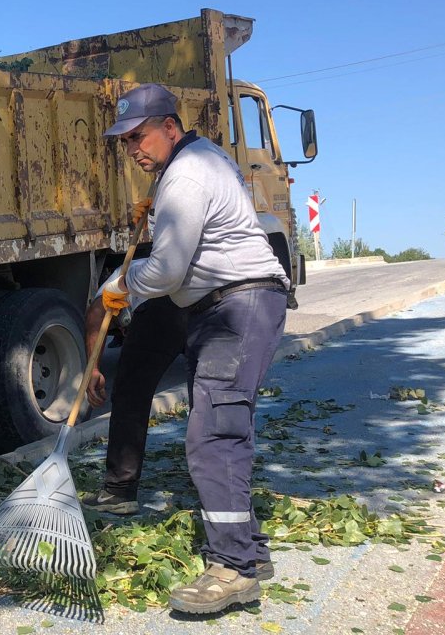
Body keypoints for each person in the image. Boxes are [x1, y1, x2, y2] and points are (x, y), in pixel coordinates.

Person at [95, 83, 289, 615]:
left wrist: (121, 282)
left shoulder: (184, 174)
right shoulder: (198, 162)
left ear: (170, 128)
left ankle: (234, 569)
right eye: (126, 141)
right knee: (220, 429)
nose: (134, 148)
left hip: (238, 306)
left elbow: (167, 271)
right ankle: (248, 550)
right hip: (226, 305)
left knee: (214, 436)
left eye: (140, 135)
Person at [82, 269, 188, 517]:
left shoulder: (122, 276)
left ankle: (118, 491)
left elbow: (97, 313)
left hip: (162, 306)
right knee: (208, 393)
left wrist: (93, 368)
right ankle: (214, 486)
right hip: (206, 305)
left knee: (132, 394)